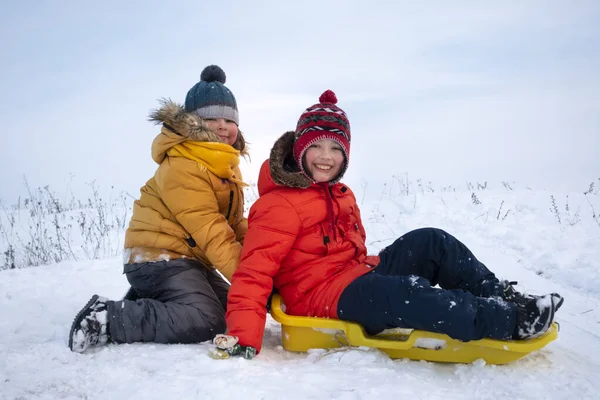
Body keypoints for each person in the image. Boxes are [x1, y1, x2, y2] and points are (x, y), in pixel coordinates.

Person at [214, 90, 564, 359]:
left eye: (335, 148)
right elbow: (253, 272)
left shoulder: (339, 193)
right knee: (406, 294)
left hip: (355, 275)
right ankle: (508, 321)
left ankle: (502, 295)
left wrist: (372, 271)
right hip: (320, 298)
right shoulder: (278, 205)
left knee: (431, 241)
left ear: (345, 154)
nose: (325, 156)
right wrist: (243, 336)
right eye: (316, 146)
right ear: (300, 149)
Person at [69, 65, 249, 353]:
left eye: (228, 119)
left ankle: (151, 299)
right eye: (211, 118)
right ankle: (106, 318)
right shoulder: (184, 164)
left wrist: (264, 261)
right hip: (158, 258)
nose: (222, 126)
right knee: (207, 319)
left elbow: (235, 225)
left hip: (188, 260)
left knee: (235, 309)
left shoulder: (225, 165)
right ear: (193, 124)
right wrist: (250, 281)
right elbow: (212, 231)